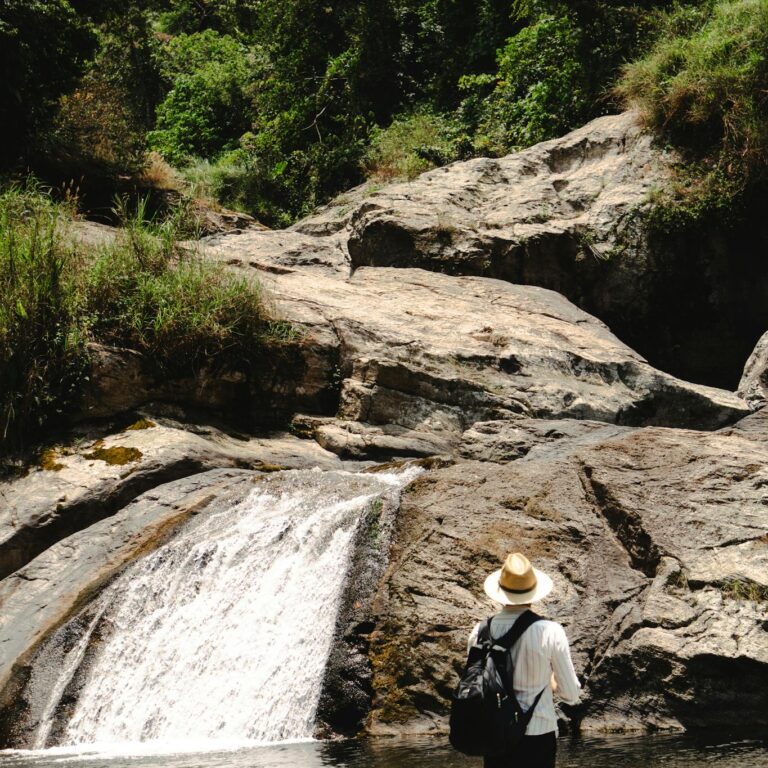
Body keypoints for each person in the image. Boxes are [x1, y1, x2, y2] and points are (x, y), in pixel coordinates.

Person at [467, 552, 581, 768]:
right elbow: (571, 695)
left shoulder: (479, 631)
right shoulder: (550, 631)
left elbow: (477, 686)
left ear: (500, 591)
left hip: (495, 736)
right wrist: (551, 680)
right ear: (533, 592)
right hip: (538, 735)